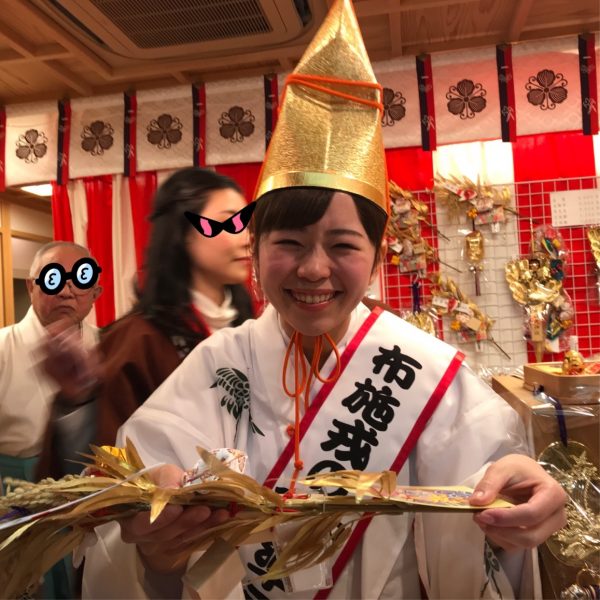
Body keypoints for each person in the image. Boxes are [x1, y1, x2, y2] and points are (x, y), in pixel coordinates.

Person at [81, 1, 567, 598]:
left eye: (342, 245)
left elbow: (489, 510)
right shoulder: (215, 367)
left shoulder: (426, 371)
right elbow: (126, 534)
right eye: (288, 243)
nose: (313, 269)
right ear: (255, 250)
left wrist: (519, 510)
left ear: (377, 254)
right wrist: (155, 550)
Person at [37, 167, 255, 478]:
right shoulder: (138, 339)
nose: (247, 238)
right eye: (230, 222)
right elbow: (99, 464)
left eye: (246, 223)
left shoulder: (252, 330)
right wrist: (79, 400)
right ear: (183, 234)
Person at [0, 240, 101, 599]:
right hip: (15, 502)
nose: (68, 290)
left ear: (95, 293)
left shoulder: (108, 348)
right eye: (55, 278)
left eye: (80, 281)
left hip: (93, 502)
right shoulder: (2, 347)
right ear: (31, 285)